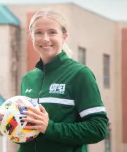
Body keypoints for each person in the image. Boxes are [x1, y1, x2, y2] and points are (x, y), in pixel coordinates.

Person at [18, 9, 109, 152]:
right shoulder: (28, 79)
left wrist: (50, 127)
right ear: (32, 37)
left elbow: (98, 129)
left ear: (64, 36)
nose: (45, 38)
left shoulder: (80, 74)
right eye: (38, 33)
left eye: (52, 32)